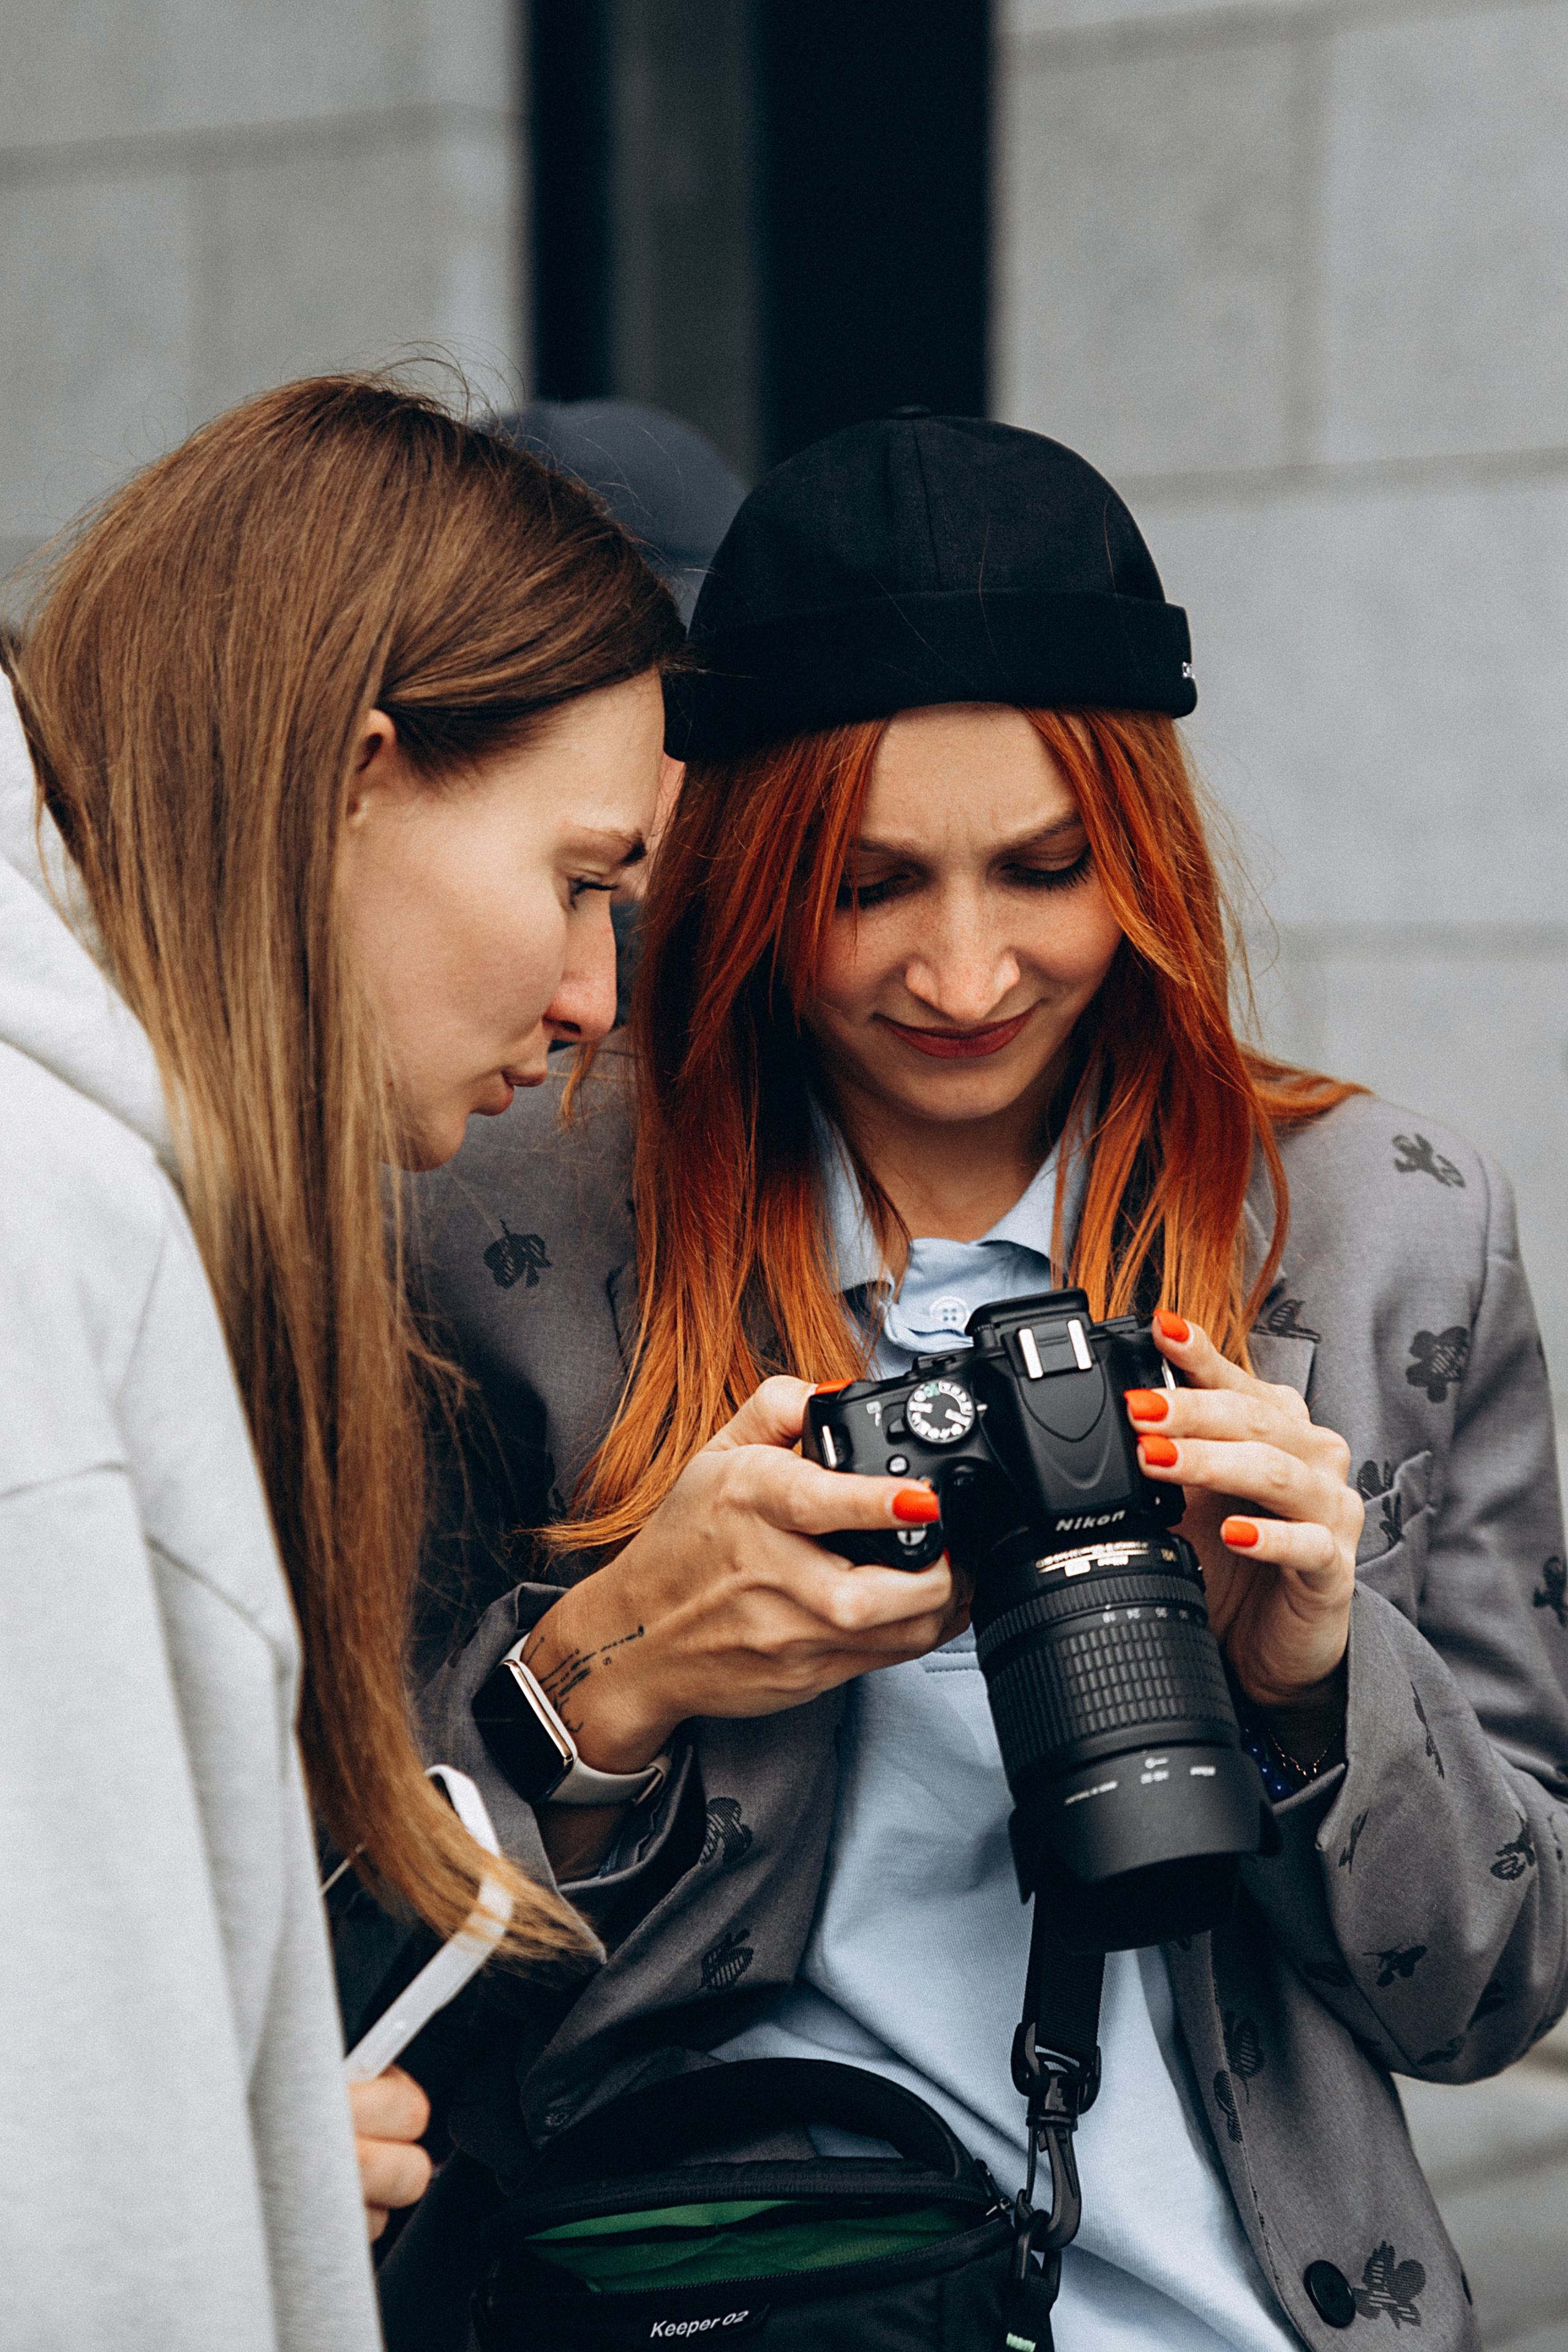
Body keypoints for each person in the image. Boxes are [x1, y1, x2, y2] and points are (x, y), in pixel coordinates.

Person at [386, 416, 1568, 2350]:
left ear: (1150, 853)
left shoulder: (1389, 1230)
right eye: (866, 887)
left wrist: (1317, 1683)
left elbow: (1497, 1989)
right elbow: (350, 1936)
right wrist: (612, 1674)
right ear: (745, 871)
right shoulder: (502, 1215)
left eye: (1045, 869)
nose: (962, 974)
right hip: (721, 2294)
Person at [0, 374, 682, 2346]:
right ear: (353, 777)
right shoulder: (52, 1229)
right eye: (580, 880)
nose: (594, 997)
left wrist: (227, 2117)